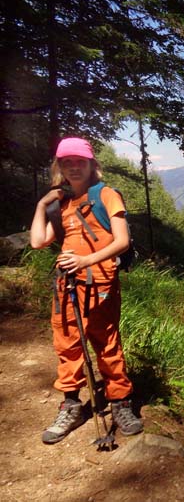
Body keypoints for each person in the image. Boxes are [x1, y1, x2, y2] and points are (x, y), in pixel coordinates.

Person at [30, 137, 143, 444]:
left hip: (101, 284)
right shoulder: (61, 204)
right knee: (67, 345)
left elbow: (122, 241)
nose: (74, 167)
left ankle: (120, 402)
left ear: (93, 164)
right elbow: (37, 241)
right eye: (67, 162)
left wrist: (85, 260)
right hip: (66, 286)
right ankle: (71, 404)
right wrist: (42, 204)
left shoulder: (106, 195)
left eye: (80, 161)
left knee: (106, 345)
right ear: (60, 167)